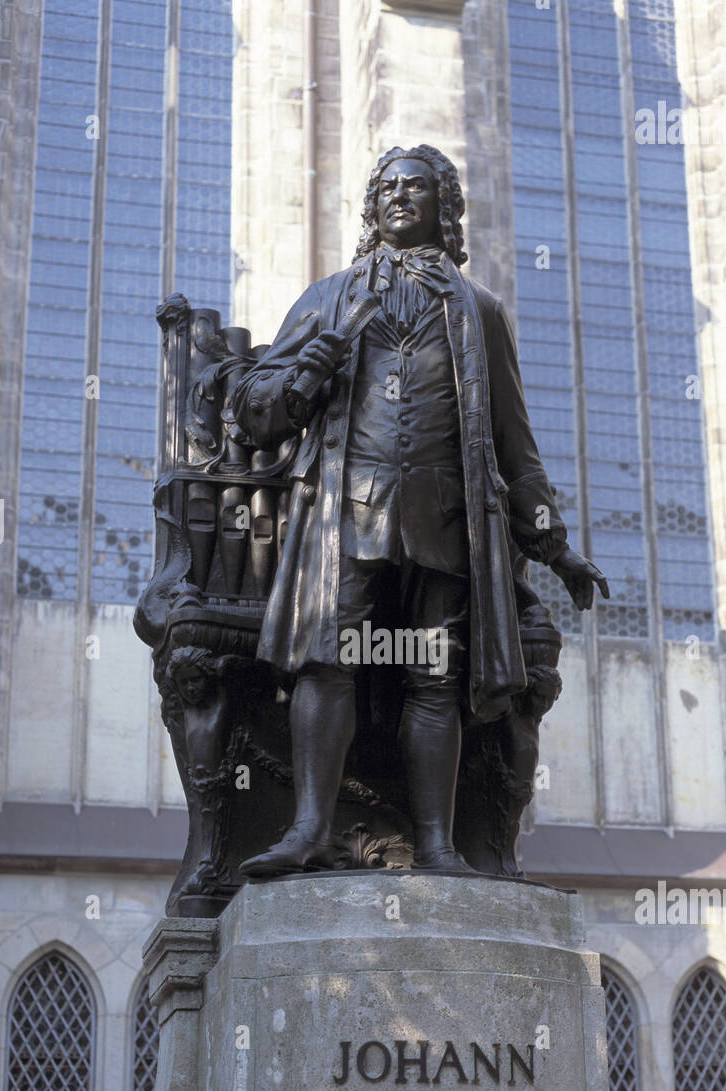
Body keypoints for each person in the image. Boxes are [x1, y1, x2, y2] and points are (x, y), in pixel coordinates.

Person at [232, 144, 608, 876]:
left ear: (445, 206)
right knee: (325, 660)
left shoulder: (480, 310)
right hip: (345, 511)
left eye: (419, 187)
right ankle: (308, 830)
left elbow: (513, 444)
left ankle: (437, 844)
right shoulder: (328, 296)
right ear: (372, 208)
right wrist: (305, 375)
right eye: (390, 187)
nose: (402, 196)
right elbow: (255, 413)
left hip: (445, 519)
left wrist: (553, 544)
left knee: (434, 675)